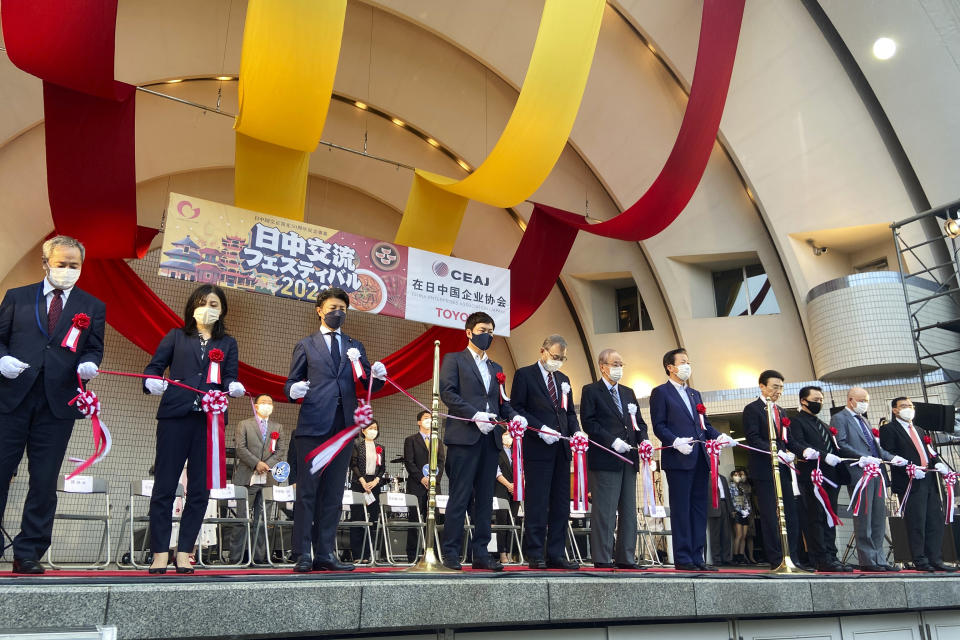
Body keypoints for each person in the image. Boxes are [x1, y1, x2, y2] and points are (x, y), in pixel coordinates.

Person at [0, 236, 104, 574]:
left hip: (58, 404)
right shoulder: (17, 297)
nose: (68, 271)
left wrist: (89, 364)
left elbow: (93, 348)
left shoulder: (92, 306)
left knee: (44, 481)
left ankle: (28, 551)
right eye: (62, 264)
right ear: (46, 264)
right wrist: (1, 359)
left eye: (75, 265)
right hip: (12, 399)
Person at [143, 284, 245, 574]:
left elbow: (229, 377)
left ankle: (185, 551)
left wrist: (233, 387)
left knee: (200, 490)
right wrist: (151, 382)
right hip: (175, 417)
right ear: (191, 307)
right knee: (164, 486)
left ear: (222, 309)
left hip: (209, 422)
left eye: (214, 304)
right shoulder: (176, 336)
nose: (208, 308)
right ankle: (160, 551)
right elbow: (154, 367)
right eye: (203, 303)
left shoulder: (228, 343)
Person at [284, 287, 386, 573]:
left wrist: (379, 377)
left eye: (342, 308)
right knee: (307, 491)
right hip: (313, 427)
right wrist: (294, 389)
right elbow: (290, 383)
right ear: (319, 310)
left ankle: (326, 552)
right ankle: (303, 552)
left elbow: (366, 383)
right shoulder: (306, 344)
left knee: (332, 493)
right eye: (332, 308)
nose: (337, 313)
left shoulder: (355, 345)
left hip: (343, 428)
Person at [439, 311, 524, 571]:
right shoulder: (454, 360)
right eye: (482, 330)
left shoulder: (496, 367)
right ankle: (451, 553)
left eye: (490, 331)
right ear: (469, 332)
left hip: (491, 440)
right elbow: (448, 393)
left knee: (486, 499)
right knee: (460, 496)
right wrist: (474, 415)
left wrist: (515, 416)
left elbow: (502, 401)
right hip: (465, 438)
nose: (487, 335)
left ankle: (481, 553)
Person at [650, 348, 733, 571]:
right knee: (681, 509)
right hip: (679, 459)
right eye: (683, 362)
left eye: (688, 361)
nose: (687, 365)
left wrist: (720, 436)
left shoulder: (695, 394)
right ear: (670, 367)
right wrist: (675, 441)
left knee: (699, 509)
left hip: (700, 459)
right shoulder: (661, 392)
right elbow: (659, 425)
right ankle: (684, 558)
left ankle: (698, 557)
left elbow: (704, 425)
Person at [509, 334, 580, 570]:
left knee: (561, 503)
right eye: (555, 356)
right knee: (538, 502)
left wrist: (577, 432)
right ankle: (535, 553)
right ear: (543, 351)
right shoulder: (525, 375)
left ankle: (557, 553)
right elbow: (516, 408)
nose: (558, 361)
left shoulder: (564, 379)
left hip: (561, 449)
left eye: (562, 358)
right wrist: (540, 429)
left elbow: (569, 413)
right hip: (538, 448)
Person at [581, 349, 646, 570]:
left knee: (629, 510)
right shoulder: (591, 391)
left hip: (629, 457)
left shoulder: (628, 392)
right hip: (606, 458)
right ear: (602, 366)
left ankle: (626, 557)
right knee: (605, 510)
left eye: (620, 363)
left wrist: (643, 440)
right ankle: (602, 557)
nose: (618, 368)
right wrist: (612, 441)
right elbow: (589, 423)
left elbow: (639, 422)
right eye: (614, 364)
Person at [831, 386, 907, 572]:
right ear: (851, 400)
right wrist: (861, 458)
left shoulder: (864, 419)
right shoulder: (840, 418)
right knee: (864, 516)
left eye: (867, 400)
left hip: (877, 471)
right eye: (862, 400)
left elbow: (874, 445)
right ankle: (867, 559)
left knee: (879, 516)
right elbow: (840, 443)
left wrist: (891, 458)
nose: (865, 404)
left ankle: (879, 558)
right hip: (860, 472)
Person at [880, 397, 956, 572]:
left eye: (910, 406)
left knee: (934, 521)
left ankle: (935, 558)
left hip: (929, 480)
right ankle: (920, 559)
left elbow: (929, 451)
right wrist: (909, 466)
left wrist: (937, 463)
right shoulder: (889, 429)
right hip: (910, 481)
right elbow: (888, 454)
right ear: (895, 410)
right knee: (917, 522)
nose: (909, 409)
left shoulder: (920, 430)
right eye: (904, 406)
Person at [742, 369, 806, 570]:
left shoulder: (781, 411)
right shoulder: (752, 409)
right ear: (762, 386)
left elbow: (789, 440)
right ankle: (776, 557)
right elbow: (753, 438)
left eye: (781, 387)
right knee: (771, 515)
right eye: (775, 386)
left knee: (791, 513)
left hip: (784, 469)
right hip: (764, 470)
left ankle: (792, 557)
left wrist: (805, 451)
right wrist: (775, 451)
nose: (778, 391)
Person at [786, 385, 852, 572]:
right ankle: (820, 557)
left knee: (830, 516)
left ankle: (832, 555)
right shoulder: (796, 422)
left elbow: (836, 447)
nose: (819, 403)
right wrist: (823, 456)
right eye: (815, 400)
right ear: (803, 401)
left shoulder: (822, 424)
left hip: (831, 476)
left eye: (821, 400)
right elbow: (799, 444)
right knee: (816, 517)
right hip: (813, 476)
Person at [229, 394, 282, 565]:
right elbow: (240, 448)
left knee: (263, 520)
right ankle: (236, 558)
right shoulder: (244, 424)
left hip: (267, 479)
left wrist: (266, 465)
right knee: (242, 519)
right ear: (257, 406)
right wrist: (256, 463)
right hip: (247, 477)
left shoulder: (278, 427)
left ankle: (259, 557)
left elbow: (280, 451)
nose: (267, 405)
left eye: (270, 403)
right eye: (264, 403)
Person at [402, 410, 445, 563]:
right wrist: (422, 478)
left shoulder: (437, 441)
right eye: (426, 418)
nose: (429, 421)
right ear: (419, 422)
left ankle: (432, 552)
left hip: (434, 487)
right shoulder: (411, 440)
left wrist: (434, 479)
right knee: (414, 520)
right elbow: (409, 462)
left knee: (433, 520)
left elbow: (441, 462)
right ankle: (412, 555)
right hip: (416, 486)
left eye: (431, 418)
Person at [348, 420, 385, 563]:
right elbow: (354, 464)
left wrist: (376, 481)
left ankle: (368, 554)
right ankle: (358, 554)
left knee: (372, 518)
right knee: (357, 518)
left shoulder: (380, 447)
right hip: (359, 483)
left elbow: (382, 468)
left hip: (374, 485)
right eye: (370, 428)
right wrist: (362, 481)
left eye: (375, 428)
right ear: (363, 430)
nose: (373, 431)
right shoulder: (357, 444)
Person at [494, 429, 521, 565]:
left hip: (516, 490)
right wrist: (509, 485)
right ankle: (502, 553)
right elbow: (496, 471)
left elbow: (522, 470)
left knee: (513, 521)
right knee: (502, 521)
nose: (508, 437)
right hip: (501, 489)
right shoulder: (497, 451)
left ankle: (510, 552)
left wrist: (517, 485)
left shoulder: (517, 451)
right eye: (505, 434)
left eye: (510, 435)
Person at [706, 473, 733, 566]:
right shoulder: (706, 477)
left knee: (726, 534)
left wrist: (731, 509)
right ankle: (716, 559)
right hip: (713, 507)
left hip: (724, 504)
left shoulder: (723, 478)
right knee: (715, 535)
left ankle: (727, 558)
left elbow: (728, 494)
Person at [729, 469, 751, 564]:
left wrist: (747, 510)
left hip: (744, 513)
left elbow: (746, 499)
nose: (737, 476)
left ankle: (741, 556)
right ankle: (735, 556)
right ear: (732, 477)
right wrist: (739, 510)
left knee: (744, 536)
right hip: (737, 512)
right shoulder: (731, 486)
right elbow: (732, 500)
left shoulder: (742, 487)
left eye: (738, 475)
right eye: (735, 475)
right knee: (738, 535)